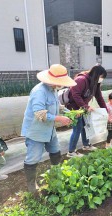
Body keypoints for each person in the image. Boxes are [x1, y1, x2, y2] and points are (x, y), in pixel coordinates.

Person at [21, 64, 76, 193]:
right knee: (33, 158)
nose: (61, 85)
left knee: (55, 151)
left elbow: (57, 105)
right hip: (36, 131)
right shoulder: (39, 91)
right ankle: (31, 185)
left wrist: (69, 112)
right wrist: (59, 119)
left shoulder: (53, 89)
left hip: (49, 129)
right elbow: (40, 113)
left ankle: (56, 174)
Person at [66, 64, 108, 157]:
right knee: (77, 128)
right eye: (101, 77)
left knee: (85, 126)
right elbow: (75, 95)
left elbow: (99, 97)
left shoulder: (94, 83)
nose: (101, 79)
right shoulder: (81, 80)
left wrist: (106, 111)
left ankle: (86, 145)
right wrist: (86, 107)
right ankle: (71, 151)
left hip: (82, 108)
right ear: (96, 75)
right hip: (74, 108)